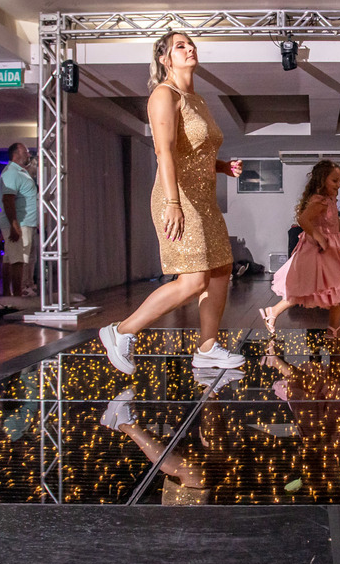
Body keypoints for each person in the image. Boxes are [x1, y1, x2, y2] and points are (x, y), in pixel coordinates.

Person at [99, 32, 246, 375]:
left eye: (191, 44)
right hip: (177, 197)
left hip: (204, 199)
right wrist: (173, 203)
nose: (190, 48)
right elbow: (164, 151)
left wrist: (223, 166)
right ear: (165, 59)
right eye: (180, 46)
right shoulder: (164, 95)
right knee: (193, 280)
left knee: (221, 269)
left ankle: (207, 348)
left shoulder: (197, 100)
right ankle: (121, 331)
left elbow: (193, 152)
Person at [260, 160, 340, 337]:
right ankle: (273, 311)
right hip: (319, 250)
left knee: (337, 287)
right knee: (315, 286)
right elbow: (303, 220)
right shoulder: (320, 201)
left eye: (339, 181)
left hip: (330, 249)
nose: (338, 185)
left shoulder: (330, 201)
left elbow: (335, 222)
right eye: (334, 180)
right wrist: (318, 236)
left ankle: (334, 328)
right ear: (322, 180)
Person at [0, 142, 37, 297]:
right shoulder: (11, 172)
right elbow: (8, 199)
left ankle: (9, 295)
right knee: (18, 260)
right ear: (17, 154)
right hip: (20, 223)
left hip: (24, 222)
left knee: (11, 258)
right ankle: (16, 295)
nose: (29, 155)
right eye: (26, 152)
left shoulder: (20, 172)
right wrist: (14, 224)